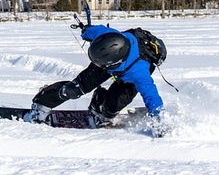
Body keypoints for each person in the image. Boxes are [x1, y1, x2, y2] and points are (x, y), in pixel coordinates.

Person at [25, 23, 169, 137]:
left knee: (111, 107)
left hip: (129, 71)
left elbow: (151, 96)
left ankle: (100, 107)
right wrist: (85, 30)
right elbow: (94, 30)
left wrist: (158, 119)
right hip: (105, 57)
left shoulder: (139, 73)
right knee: (74, 89)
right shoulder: (107, 36)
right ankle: (42, 103)